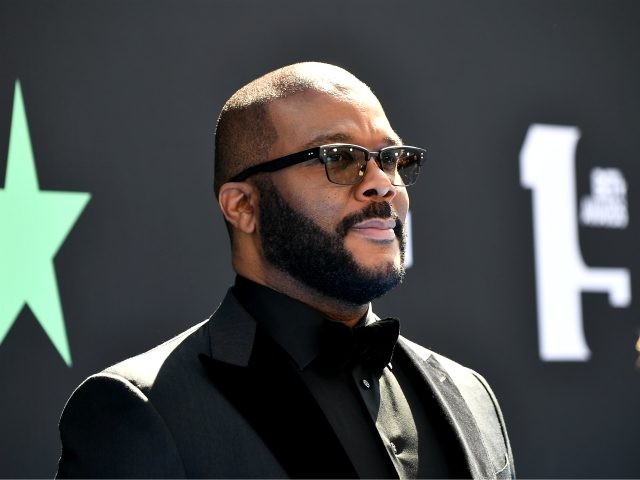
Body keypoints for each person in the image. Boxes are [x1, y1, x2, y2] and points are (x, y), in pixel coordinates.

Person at [56, 62, 514, 479]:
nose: (381, 183)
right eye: (339, 158)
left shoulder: (470, 394)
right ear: (243, 206)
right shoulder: (142, 408)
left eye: (391, 158)